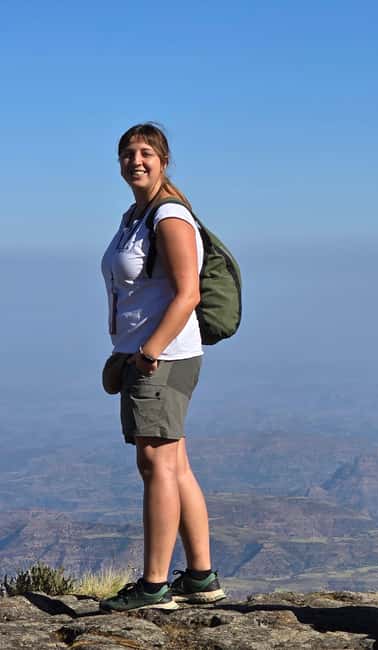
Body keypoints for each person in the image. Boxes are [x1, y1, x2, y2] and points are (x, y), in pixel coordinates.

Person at [99, 123, 225, 611]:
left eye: (146, 152)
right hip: (151, 355)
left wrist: (148, 351)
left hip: (162, 360)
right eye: (128, 153)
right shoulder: (136, 215)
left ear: (164, 161)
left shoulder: (169, 215)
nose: (136, 160)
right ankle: (200, 576)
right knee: (175, 465)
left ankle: (153, 586)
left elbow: (188, 294)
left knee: (155, 466)